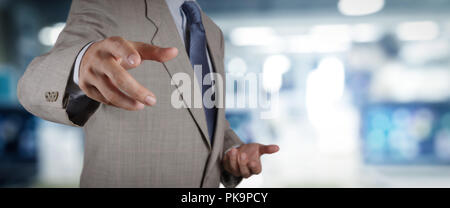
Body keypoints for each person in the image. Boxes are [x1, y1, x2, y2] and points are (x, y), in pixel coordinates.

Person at [17, 0, 279, 187]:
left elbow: (206, 117)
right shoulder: (111, 4)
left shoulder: (212, 31)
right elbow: (32, 85)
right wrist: (79, 64)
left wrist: (233, 150)